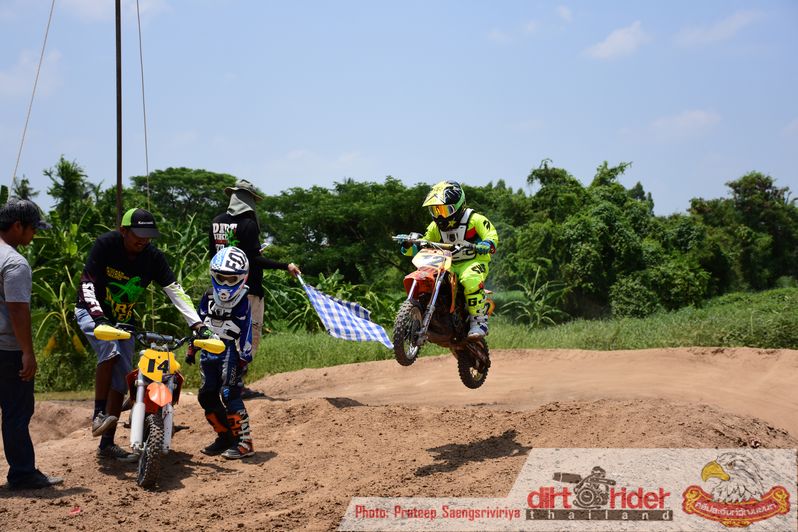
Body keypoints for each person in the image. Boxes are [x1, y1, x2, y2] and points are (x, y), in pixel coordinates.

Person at [76, 207, 207, 462]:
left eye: (148, 236)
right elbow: (87, 283)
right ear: (123, 231)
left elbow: (175, 291)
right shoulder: (106, 245)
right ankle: (98, 414)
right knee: (110, 349)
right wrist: (100, 317)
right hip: (91, 312)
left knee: (122, 377)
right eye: (138, 234)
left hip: (123, 321)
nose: (143, 240)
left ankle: (106, 444)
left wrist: (198, 325)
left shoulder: (153, 257)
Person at [209, 180, 300, 398]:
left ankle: (221, 384)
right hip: (247, 290)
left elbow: (213, 254)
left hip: (221, 291)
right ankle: (236, 385)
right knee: (248, 336)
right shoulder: (248, 224)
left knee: (224, 335)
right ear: (249, 200)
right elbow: (254, 260)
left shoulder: (217, 222)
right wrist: (285, 266)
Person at [0, 198, 63, 490]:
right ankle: (23, 474)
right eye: (33, 228)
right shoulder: (14, 262)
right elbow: (17, 310)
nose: (34, 234)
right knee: (16, 412)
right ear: (17, 226)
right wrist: (27, 352)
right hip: (7, 351)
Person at [401, 181, 499, 338]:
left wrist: (487, 244)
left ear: (458, 206)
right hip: (446, 263)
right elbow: (423, 245)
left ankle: (479, 321)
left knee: (470, 279)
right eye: (435, 210)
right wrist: (408, 244)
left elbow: (491, 235)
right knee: (429, 275)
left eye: (444, 210)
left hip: (473, 262)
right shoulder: (435, 227)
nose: (439, 216)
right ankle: (419, 317)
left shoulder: (475, 219)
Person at [187, 246, 254, 459]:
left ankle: (244, 443)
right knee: (206, 396)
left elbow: (247, 329)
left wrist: (244, 356)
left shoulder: (244, 300)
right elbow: (198, 322)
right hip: (208, 351)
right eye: (221, 277)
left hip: (229, 352)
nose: (225, 283)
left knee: (229, 393)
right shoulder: (208, 296)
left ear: (241, 277)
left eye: (231, 278)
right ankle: (225, 437)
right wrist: (192, 347)